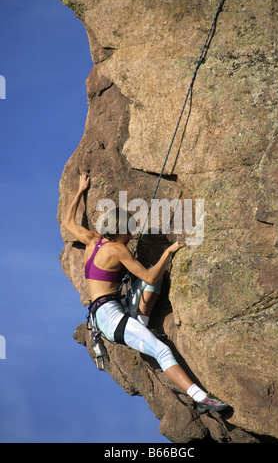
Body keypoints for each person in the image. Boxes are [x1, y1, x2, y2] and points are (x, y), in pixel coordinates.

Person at [62, 173, 230, 414]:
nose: (132, 235)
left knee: (152, 273)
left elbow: (68, 222)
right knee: (162, 349)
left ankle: (141, 322)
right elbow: (149, 278)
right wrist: (169, 252)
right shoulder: (118, 250)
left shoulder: (92, 240)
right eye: (129, 230)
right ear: (119, 230)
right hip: (110, 318)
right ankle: (200, 398)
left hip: (110, 310)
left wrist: (81, 190)